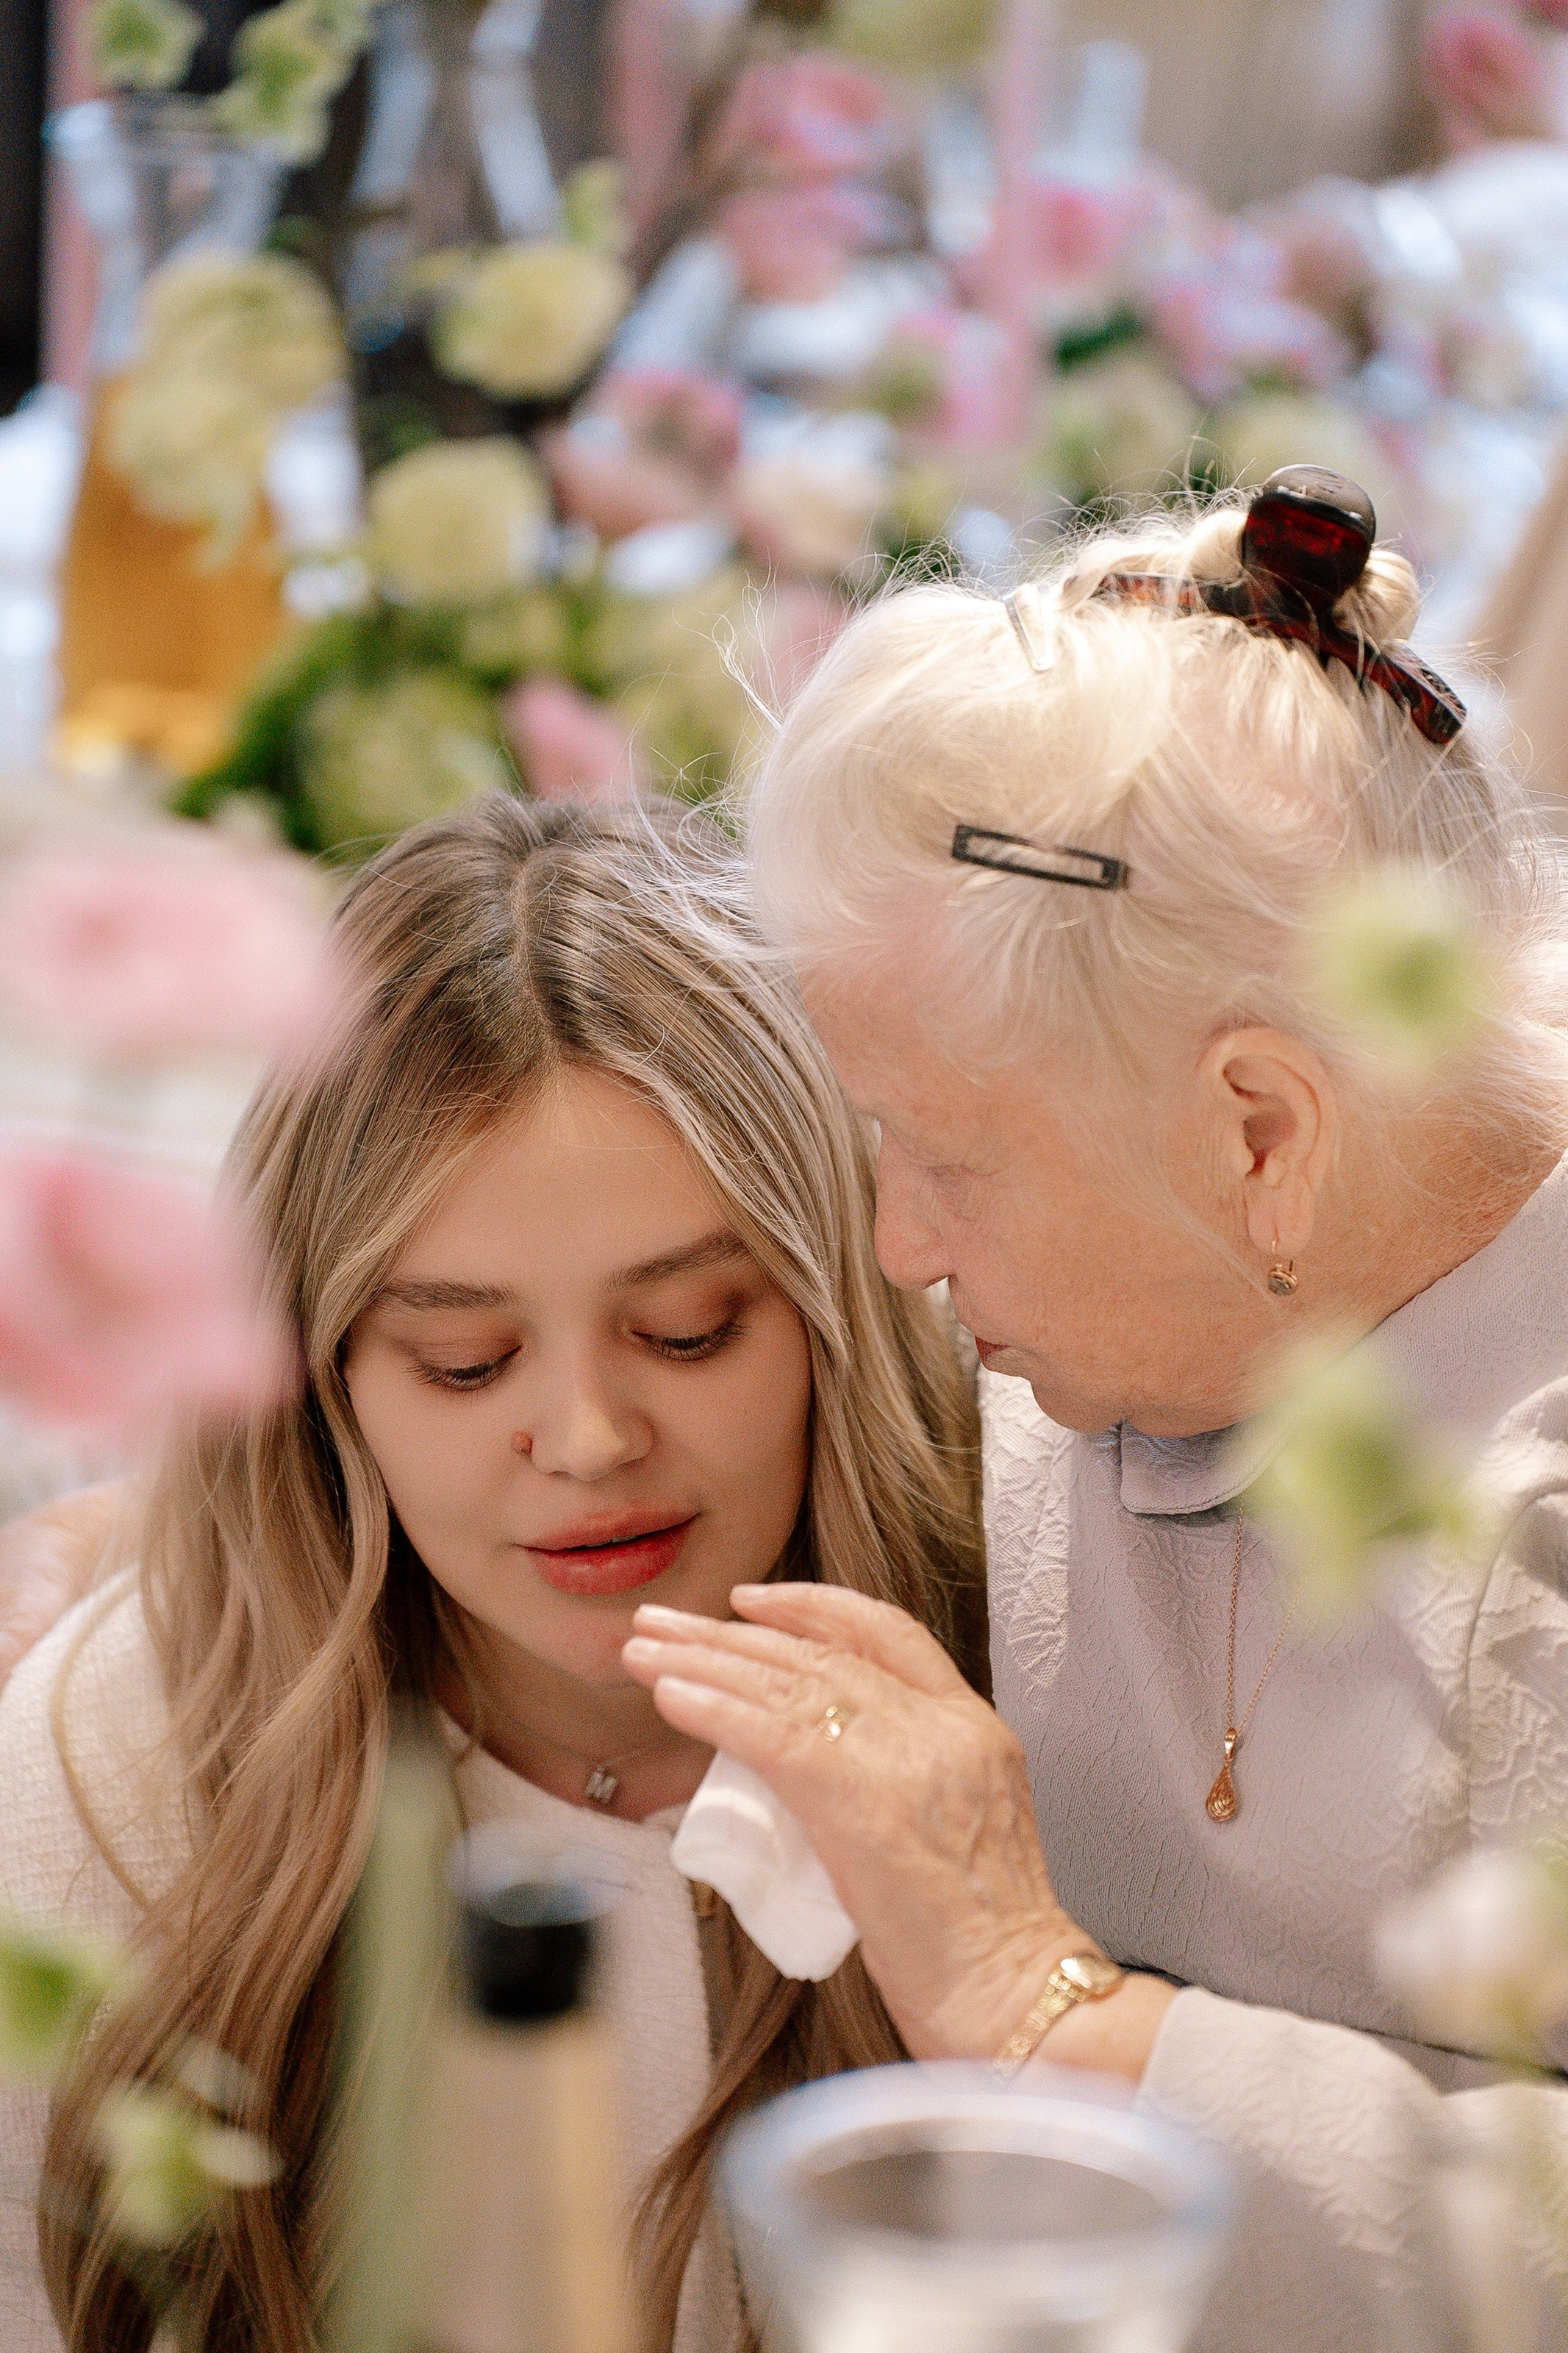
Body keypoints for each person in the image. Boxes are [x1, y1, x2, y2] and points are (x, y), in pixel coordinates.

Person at [620, 475, 1568, 2352]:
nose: (895, 1249)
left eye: (949, 1162)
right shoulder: (1119, 1298)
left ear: (1258, 1134)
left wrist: (1035, 2000)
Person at [0, 793, 983, 2353]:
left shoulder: (1039, 1640)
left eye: (687, 1332)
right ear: (321, 1377)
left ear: (836, 1310)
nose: (587, 1440)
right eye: (462, 1360)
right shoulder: (113, 1766)